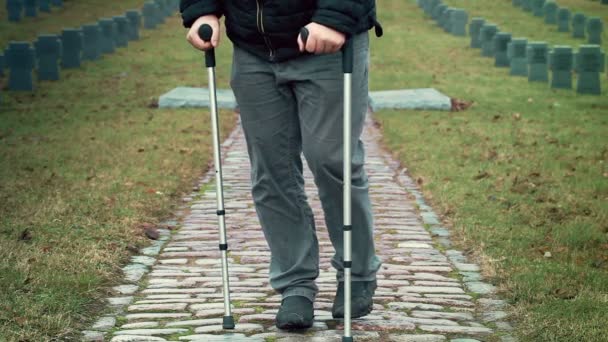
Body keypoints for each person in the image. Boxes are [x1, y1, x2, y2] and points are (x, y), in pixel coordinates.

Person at [180, 0, 383, 330]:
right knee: (271, 171)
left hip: (328, 44)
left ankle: (357, 272)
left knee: (332, 160)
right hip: (254, 49)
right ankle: (295, 285)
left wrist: (334, 18)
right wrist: (202, 9)